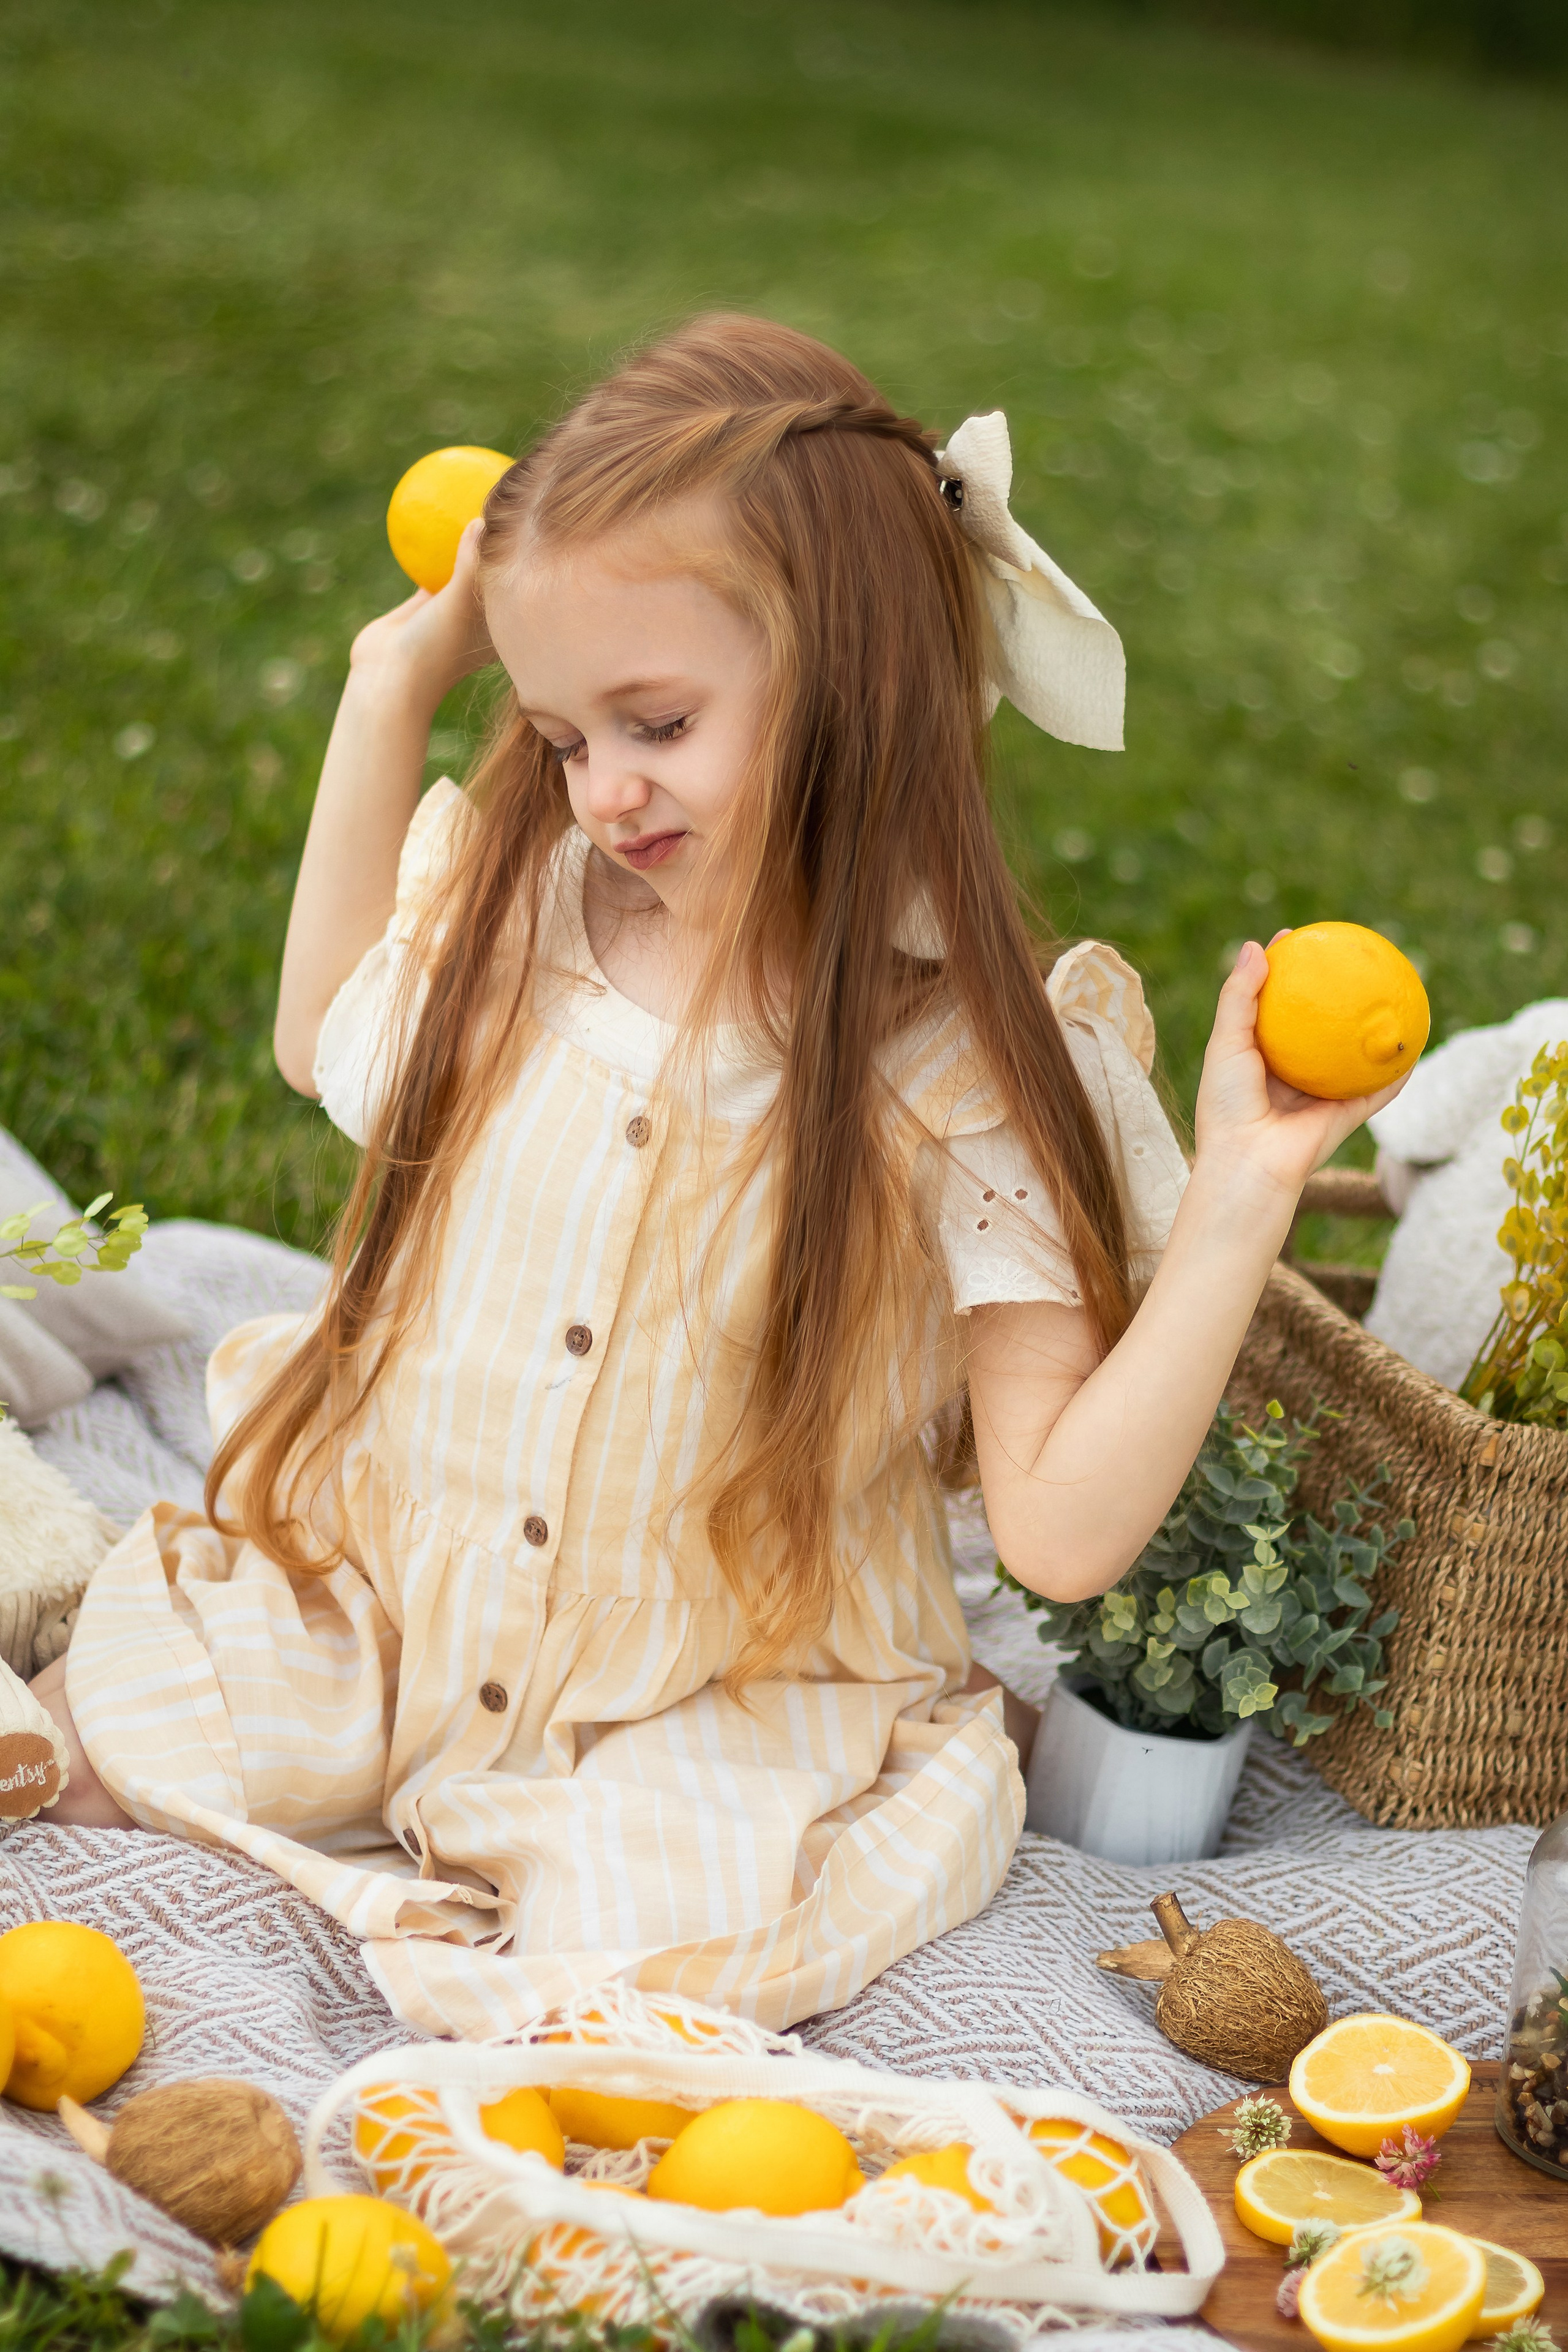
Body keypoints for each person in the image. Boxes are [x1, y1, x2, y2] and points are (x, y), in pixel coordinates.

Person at [43, 315, 1401, 2039]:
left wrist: (1241, 1199)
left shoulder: (960, 1071)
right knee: (126, 1723)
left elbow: (1059, 1535)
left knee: (626, 1976)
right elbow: (323, 1042)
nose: (600, 790)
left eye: (656, 722)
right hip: (399, 1593)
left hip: (706, 1678)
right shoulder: (525, 917)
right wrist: (398, 678)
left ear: (850, 682)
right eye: (556, 734)